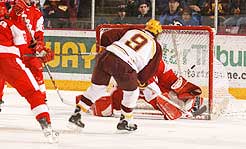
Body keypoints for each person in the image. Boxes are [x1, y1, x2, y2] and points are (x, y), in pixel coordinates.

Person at [68, 19, 163, 131]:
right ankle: (125, 121)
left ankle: (77, 113)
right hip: (125, 64)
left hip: (106, 56)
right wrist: (142, 80)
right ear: (157, 34)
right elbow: (150, 69)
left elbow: (107, 35)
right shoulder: (156, 46)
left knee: (97, 88)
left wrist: (103, 48)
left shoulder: (133, 30)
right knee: (132, 92)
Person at [0, 3, 58, 143]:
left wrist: (38, 46)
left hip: (10, 58)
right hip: (8, 61)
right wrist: (41, 53)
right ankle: (46, 124)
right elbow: (23, 48)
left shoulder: (29, 15)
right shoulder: (13, 24)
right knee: (33, 92)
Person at [91, 59, 203, 120]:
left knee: (157, 88)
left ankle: (188, 102)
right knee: (105, 109)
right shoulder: (130, 62)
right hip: (125, 89)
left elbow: (169, 77)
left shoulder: (157, 61)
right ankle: (179, 106)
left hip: (138, 82)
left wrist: (186, 89)